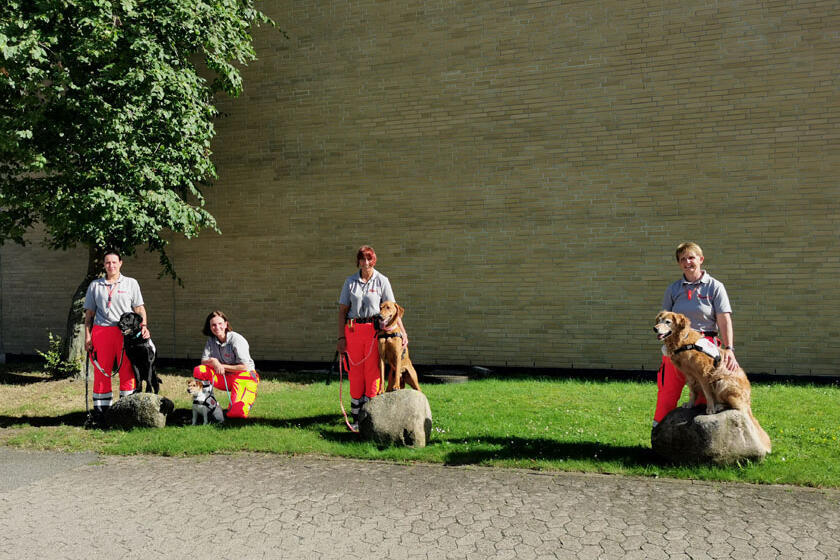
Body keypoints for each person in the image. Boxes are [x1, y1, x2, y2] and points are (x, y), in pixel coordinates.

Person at [653, 242, 738, 427]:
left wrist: (729, 348)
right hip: (676, 345)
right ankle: (658, 433)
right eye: (682, 259)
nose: (687, 262)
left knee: (703, 390)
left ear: (700, 259)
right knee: (667, 389)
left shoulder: (715, 287)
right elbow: (664, 321)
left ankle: (701, 438)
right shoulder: (673, 289)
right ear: (679, 264)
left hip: (704, 343)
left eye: (691, 257)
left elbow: (724, 320)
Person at [337, 245, 406, 430]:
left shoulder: (382, 280)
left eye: (369, 259)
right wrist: (340, 338)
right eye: (362, 259)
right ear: (358, 261)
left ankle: (371, 418)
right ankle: (356, 419)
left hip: (375, 332)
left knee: (373, 373)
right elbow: (342, 312)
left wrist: (403, 333)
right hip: (353, 332)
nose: (365, 263)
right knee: (356, 374)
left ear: (373, 260)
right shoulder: (350, 282)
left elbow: (393, 310)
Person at [83, 250, 150, 424]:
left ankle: (126, 411)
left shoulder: (131, 283)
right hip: (101, 332)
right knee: (101, 372)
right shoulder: (95, 285)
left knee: (127, 370)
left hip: (125, 334)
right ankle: (101, 414)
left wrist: (144, 327)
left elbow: (140, 309)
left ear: (120, 263)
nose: (111, 266)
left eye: (114, 262)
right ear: (104, 265)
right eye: (107, 263)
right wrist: (87, 337)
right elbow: (89, 315)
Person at [192, 310, 260, 419]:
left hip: (244, 377)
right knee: (199, 370)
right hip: (225, 376)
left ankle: (246, 396)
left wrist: (220, 365)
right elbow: (203, 361)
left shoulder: (237, 339)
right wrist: (214, 362)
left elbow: (244, 367)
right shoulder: (211, 340)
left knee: (236, 414)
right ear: (209, 327)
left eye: (220, 324)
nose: (217, 327)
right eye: (213, 325)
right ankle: (209, 406)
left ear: (226, 324)